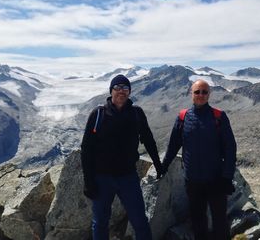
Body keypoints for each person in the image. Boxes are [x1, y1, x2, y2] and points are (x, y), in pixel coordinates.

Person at [81, 74, 163, 240]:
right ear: (111, 91)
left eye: (125, 88)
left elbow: (148, 140)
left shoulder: (137, 114)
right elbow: (86, 149)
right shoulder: (98, 114)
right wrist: (88, 181)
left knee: (139, 219)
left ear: (129, 92)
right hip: (102, 178)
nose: (121, 91)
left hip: (128, 177)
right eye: (117, 88)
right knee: (101, 222)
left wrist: (158, 164)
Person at [162, 79, 237, 240]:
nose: (201, 95)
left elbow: (230, 148)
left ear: (209, 94)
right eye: (197, 92)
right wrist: (163, 167)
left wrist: (227, 177)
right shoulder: (183, 118)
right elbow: (173, 146)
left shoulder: (219, 117)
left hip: (216, 180)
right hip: (193, 181)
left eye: (204, 92)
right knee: (198, 220)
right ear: (191, 94)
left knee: (219, 221)